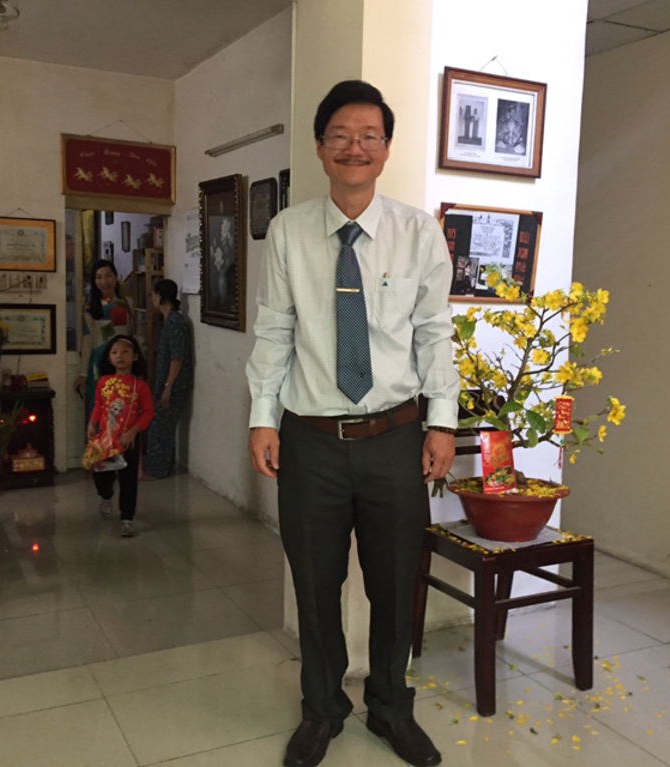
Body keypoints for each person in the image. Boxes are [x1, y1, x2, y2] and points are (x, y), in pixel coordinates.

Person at [246, 80, 458, 767]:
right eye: (340, 135)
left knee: (395, 583)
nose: (354, 147)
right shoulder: (288, 231)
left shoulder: (418, 231)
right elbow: (274, 329)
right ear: (320, 147)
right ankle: (323, 709)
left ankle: (391, 707)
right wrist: (261, 416)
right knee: (314, 585)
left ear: (387, 148)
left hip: (396, 438)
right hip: (310, 440)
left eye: (369, 136)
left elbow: (434, 333)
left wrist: (443, 422)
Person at [89, 335, 153, 537]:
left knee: (128, 481)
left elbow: (148, 412)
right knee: (101, 478)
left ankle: (127, 519)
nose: (120, 356)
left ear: (135, 356)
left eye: (125, 351)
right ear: (109, 358)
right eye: (115, 352)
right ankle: (106, 496)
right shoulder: (103, 382)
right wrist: (92, 423)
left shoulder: (140, 386)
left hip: (128, 441)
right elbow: (98, 405)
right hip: (104, 440)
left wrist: (133, 431)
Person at [144, 278, 193, 479]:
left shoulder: (175, 322)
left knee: (160, 427)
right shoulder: (169, 321)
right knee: (163, 426)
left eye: (153, 294)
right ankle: (164, 467)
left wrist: (167, 387)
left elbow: (177, 358)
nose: (152, 299)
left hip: (174, 385)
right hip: (167, 383)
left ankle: (157, 470)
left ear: (160, 297)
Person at [75, 260, 135, 420]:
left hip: (123, 361)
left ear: (116, 277)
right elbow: (88, 339)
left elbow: (130, 334)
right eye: (99, 277)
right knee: (101, 407)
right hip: (99, 362)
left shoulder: (128, 302)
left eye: (108, 276)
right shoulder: (89, 306)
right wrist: (83, 372)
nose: (104, 281)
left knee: (123, 405)